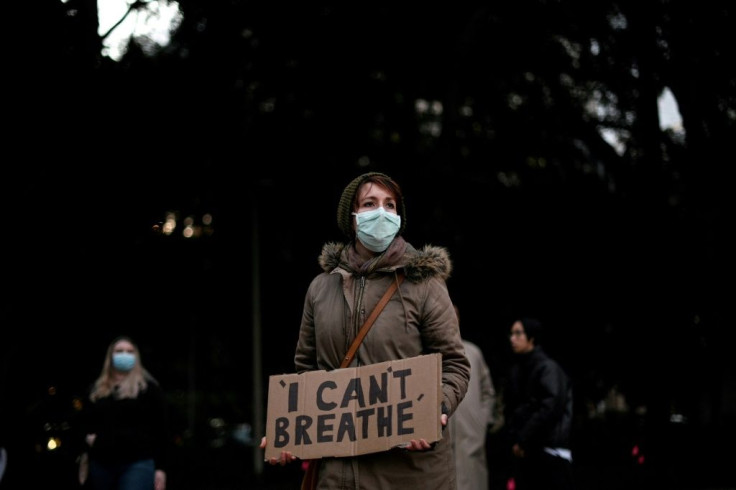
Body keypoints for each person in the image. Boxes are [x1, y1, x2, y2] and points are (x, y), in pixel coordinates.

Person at [260, 171, 471, 489]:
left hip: (407, 474)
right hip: (338, 473)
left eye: (390, 205)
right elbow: (306, 373)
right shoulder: (320, 288)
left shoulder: (425, 285)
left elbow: (454, 365)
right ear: (353, 217)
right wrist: (292, 430)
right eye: (370, 203)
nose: (382, 213)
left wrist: (433, 410)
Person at [76, 336, 169, 490]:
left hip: (138, 463)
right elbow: (83, 424)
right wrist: (88, 443)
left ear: (136, 357)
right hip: (101, 464)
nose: (124, 355)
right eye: (119, 351)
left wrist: (161, 469)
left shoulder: (149, 389)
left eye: (129, 351)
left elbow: (161, 431)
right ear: (110, 356)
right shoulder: (96, 391)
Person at [504, 317, 574, 490]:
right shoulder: (518, 369)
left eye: (518, 333)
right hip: (527, 453)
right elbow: (515, 410)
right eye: (511, 333)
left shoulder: (547, 369)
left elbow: (549, 408)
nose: (512, 338)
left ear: (532, 338)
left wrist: (522, 439)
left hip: (550, 453)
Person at [449, 305, 497, 490]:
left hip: (470, 438)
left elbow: (488, 392)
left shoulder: (473, 353)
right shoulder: (425, 353)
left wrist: (481, 421)